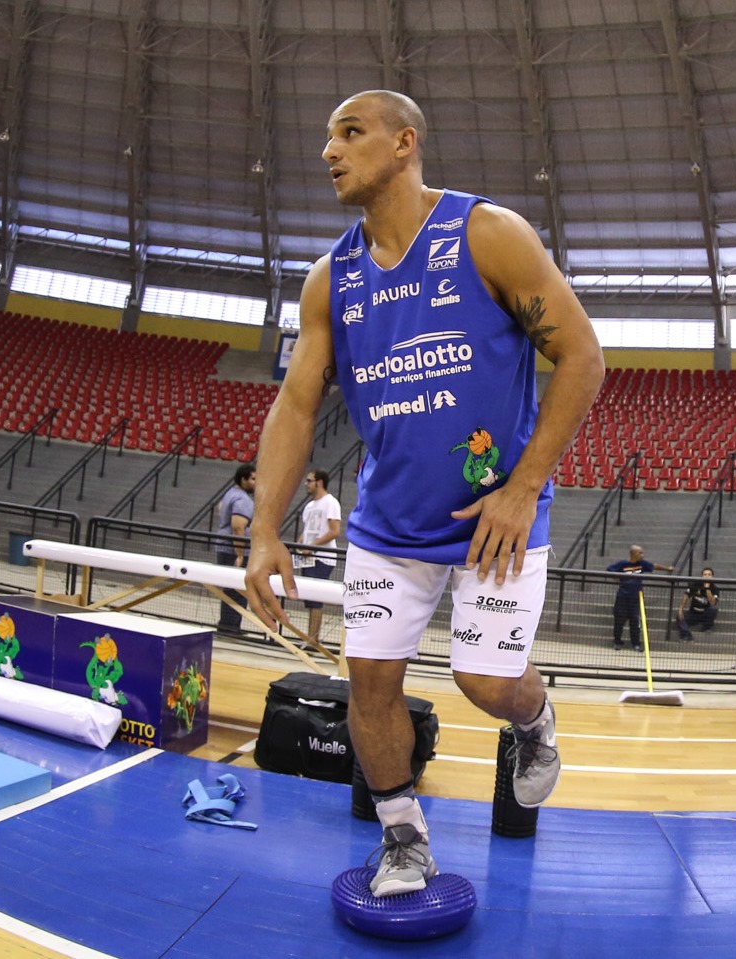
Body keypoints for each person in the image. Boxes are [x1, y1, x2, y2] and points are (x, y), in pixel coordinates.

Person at [241, 90, 604, 898]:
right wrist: (265, 528)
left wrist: (525, 487)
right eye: (326, 136)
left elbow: (582, 356)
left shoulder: (487, 235)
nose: (329, 151)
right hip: (389, 524)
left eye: (349, 132)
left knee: (484, 682)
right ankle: (405, 838)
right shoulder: (330, 279)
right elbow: (297, 403)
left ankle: (535, 717)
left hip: (497, 516)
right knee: (369, 681)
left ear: (404, 144)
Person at [293, 469, 343, 646]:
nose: (306, 484)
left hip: (322, 557)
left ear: (319, 482)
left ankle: (313, 638)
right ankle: (310, 636)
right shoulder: (309, 506)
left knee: (316, 599)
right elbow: (306, 531)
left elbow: (334, 531)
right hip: (309, 556)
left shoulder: (330, 503)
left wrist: (312, 546)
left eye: (309, 480)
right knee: (310, 598)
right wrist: (300, 545)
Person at [214, 463, 256, 632]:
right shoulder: (242, 499)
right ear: (243, 479)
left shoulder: (230, 494)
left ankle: (228, 623)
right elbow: (238, 526)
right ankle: (231, 625)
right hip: (232, 549)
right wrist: (240, 554)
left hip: (224, 546)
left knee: (230, 587)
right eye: (253, 479)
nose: (256, 483)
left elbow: (220, 508)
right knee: (236, 589)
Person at [606, 545, 657, 651]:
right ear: (633, 554)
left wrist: (668, 568)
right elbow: (610, 569)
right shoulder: (623, 564)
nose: (642, 555)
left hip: (636, 598)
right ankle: (617, 642)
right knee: (619, 620)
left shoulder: (642, 564)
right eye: (640, 553)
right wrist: (617, 579)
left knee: (635, 621)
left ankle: (636, 643)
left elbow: (654, 566)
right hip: (623, 597)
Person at [677, 567, 718, 640]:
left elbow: (713, 603)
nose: (707, 576)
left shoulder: (714, 588)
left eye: (709, 574)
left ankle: (706, 628)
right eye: (705, 574)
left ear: (712, 576)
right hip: (693, 613)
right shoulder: (696, 584)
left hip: (705, 614)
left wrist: (707, 589)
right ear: (702, 576)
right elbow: (686, 596)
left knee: (713, 609)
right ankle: (686, 635)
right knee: (679, 616)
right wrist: (681, 609)